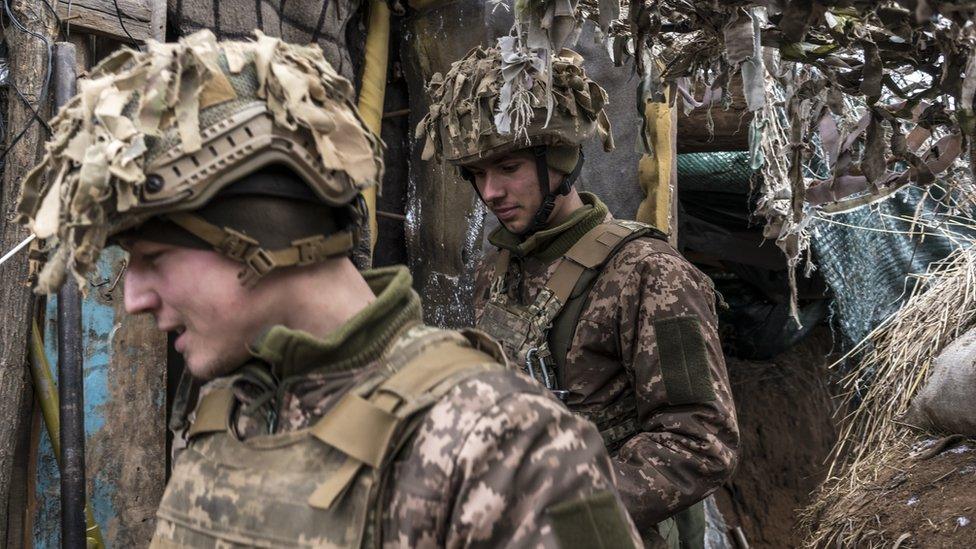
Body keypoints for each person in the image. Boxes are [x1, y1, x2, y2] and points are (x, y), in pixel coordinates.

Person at [17, 30, 642, 548]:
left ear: (260, 234)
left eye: (154, 257)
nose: (134, 297)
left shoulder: (509, 449)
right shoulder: (225, 406)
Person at [417, 45, 739, 548]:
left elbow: (700, 441)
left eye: (508, 167)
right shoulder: (499, 268)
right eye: (477, 175)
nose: (491, 192)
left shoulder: (649, 275)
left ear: (561, 158)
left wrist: (563, 507)